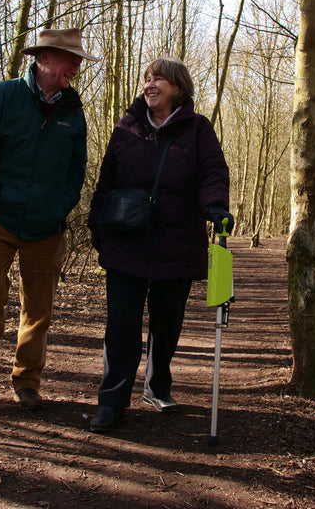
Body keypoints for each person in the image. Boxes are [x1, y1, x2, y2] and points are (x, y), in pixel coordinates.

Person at [0, 28, 100, 411]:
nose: (77, 66)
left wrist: (61, 206)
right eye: (71, 59)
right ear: (44, 58)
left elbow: (76, 167)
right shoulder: (2, 96)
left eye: (79, 60)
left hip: (47, 227)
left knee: (39, 308)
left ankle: (27, 381)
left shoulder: (73, 109)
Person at [87, 57, 232, 433]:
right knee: (121, 325)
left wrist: (215, 205)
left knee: (167, 323)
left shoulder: (198, 129)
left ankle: (157, 385)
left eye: (159, 80)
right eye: (147, 79)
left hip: (176, 240)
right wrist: (96, 224)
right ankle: (112, 401)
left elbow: (213, 170)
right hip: (126, 239)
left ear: (178, 88)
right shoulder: (127, 128)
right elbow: (107, 181)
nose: (150, 85)